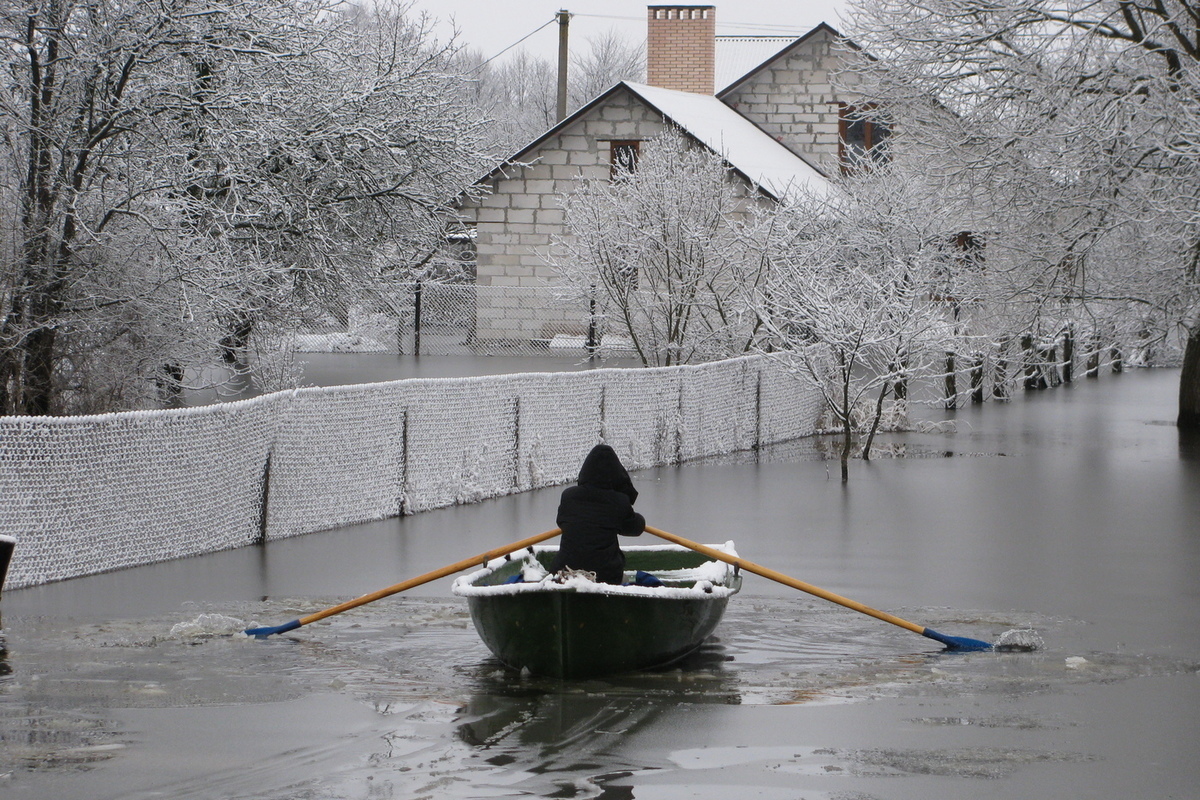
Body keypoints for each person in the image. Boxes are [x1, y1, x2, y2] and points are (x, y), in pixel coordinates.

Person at [550, 443, 647, 585]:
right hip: (605, 576)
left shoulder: (568, 496)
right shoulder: (618, 501)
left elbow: (561, 522)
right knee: (632, 579)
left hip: (564, 573)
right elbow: (636, 528)